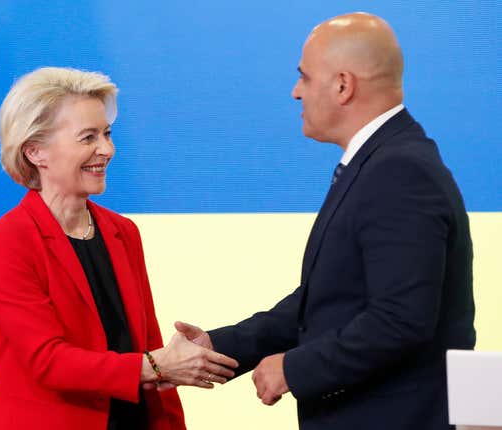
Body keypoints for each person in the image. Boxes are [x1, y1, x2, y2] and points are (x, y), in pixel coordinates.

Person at [176, 12, 475, 430]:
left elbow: (401, 319)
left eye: (305, 77)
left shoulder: (400, 172)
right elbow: (328, 298)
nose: (296, 92)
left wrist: (294, 369)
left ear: (342, 85)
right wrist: (220, 345)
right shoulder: (380, 162)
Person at [0, 67, 238, 430]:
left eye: (107, 134)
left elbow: (149, 345)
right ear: (36, 151)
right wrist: (156, 365)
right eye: (88, 138)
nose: (107, 149)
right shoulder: (7, 241)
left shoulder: (122, 232)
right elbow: (47, 361)